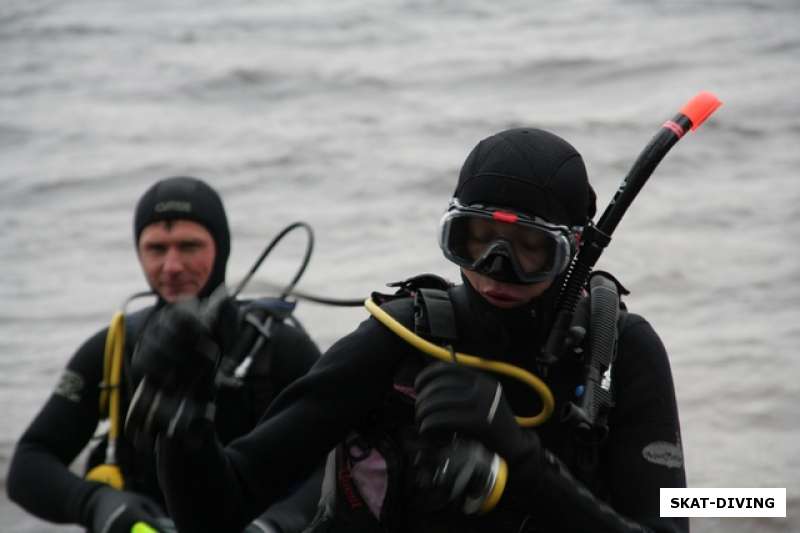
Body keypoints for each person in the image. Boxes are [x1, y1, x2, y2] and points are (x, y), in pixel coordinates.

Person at [128, 130, 688, 532]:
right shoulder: (402, 339)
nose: (497, 268)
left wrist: (518, 461)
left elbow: (669, 525)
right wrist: (185, 428)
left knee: (741, 505)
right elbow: (216, 513)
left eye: (530, 248)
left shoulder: (619, 349)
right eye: (476, 239)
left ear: (573, 252)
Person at [6, 176, 323, 533]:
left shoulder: (278, 348)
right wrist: (96, 503)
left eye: (188, 246)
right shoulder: (114, 348)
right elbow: (28, 465)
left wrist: (278, 524)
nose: (171, 266)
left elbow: (342, 460)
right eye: (157, 248)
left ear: (221, 248)